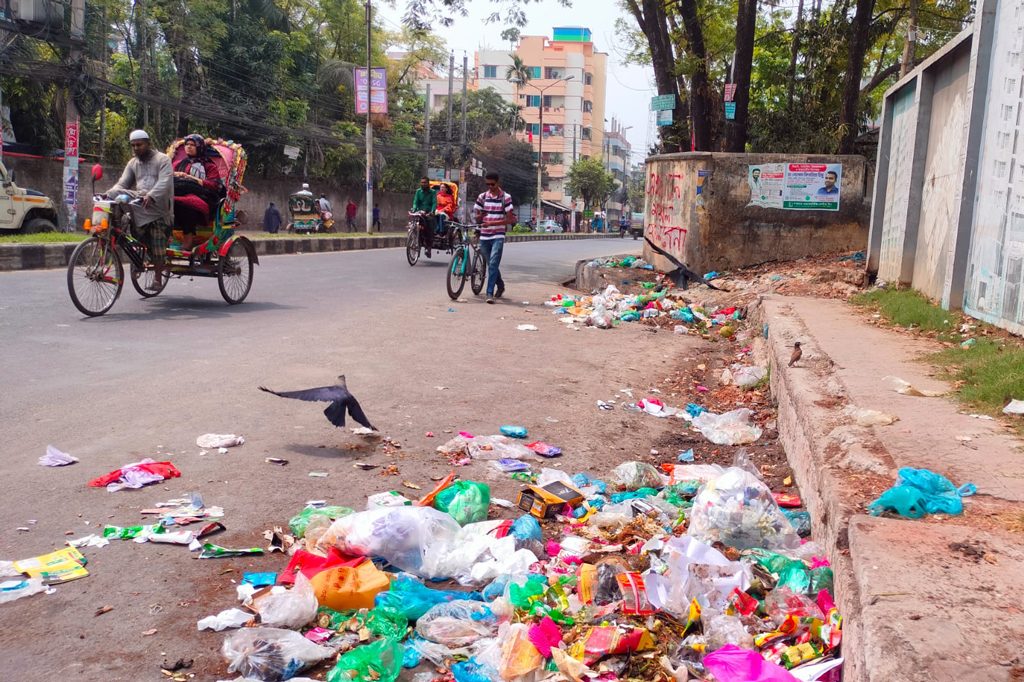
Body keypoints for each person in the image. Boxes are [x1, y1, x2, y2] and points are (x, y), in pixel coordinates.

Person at [107, 129, 173, 291]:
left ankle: (157, 278)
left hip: (158, 208)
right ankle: (110, 229)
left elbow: (165, 182)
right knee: (111, 194)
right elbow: (122, 184)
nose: (136, 148)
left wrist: (151, 196)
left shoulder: (163, 160)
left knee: (157, 243)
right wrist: (109, 194)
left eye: (139, 145)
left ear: (148, 143)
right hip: (139, 203)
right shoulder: (133, 163)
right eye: (133, 145)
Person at [173, 134, 224, 252]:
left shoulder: (209, 165)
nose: (189, 147)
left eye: (192, 145)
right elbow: (166, 176)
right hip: (179, 192)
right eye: (187, 145)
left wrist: (194, 179)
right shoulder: (178, 164)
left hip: (203, 196)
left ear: (199, 147)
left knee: (189, 204)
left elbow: (215, 185)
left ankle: (188, 238)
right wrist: (176, 175)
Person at [473, 171, 515, 304]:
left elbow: (509, 220)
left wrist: (492, 223)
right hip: (485, 235)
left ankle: (489, 292)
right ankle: (500, 285)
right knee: (491, 264)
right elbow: (477, 217)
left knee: (493, 263)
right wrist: (480, 217)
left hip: (498, 235)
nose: (490, 186)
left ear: (498, 183)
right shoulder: (482, 197)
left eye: (492, 184)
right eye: (488, 184)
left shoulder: (506, 198)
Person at [411, 177, 437, 256]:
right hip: (420, 212)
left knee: (429, 229)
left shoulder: (432, 192)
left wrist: (432, 211)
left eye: (425, 182)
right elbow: (415, 202)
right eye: (422, 182)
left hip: (428, 213)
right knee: (414, 225)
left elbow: (434, 203)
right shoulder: (418, 192)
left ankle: (428, 247)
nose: (423, 184)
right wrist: (414, 210)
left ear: (428, 183)